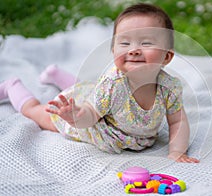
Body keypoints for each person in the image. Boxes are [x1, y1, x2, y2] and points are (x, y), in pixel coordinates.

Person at [0, 3, 199, 163]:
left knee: (86, 88)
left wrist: (177, 152)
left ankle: (55, 75)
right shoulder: (112, 84)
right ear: (113, 51)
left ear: (167, 57)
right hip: (95, 124)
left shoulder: (169, 87)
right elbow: (91, 114)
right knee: (36, 112)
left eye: (146, 43)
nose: (134, 49)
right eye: (125, 42)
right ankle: (12, 86)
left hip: (97, 98)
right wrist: (75, 117)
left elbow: (178, 121)